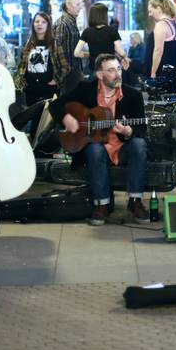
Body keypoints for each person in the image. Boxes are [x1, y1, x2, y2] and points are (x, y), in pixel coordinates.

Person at [50, 53, 150, 226]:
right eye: (111, 70)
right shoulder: (85, 89)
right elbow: (55, 105)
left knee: (139, 145)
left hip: (122, 146)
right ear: (99, 74)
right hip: (96, 145)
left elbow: (141, 129)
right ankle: (101, 205)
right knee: (95, 149)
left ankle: (135, 201)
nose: (118, 74)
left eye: (119, 69)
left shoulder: (133, 95)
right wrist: (67, 118)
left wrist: (128, 131)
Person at [14, 12, 69, 107]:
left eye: (43, 22)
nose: (39, 24)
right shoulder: (28, 43)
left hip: (48, 88)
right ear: (33, 24)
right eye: (37, 21)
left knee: (45, 119)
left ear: (48, 25)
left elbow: (65, 66)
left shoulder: (54, 43)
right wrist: (23, 81)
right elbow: (22, 65)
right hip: (31, 89)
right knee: (32, 117)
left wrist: (56, 80)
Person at [75, 3, 129, 73]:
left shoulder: (87, 31)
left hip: (94, 69)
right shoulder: (112, 31)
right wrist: (125, 58)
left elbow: (76, 53)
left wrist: (89, 54)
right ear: (104, 16)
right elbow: (120, 51)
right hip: (110, 69)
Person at [144, 0, 176, 82]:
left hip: (162, 72)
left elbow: (158, 50)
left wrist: (153, 73)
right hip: (173, 70)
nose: (150, 14)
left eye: (150, 11)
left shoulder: (161, 25)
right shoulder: (175, 24)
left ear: (158, 8)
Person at [54, 0, 85, 78]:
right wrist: (64, 73)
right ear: (68, 5)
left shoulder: (70, 22)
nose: (80, 7)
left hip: (73, 76)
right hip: (68, 78)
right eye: (77, 4)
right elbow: (56, 51)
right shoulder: (62, 24)